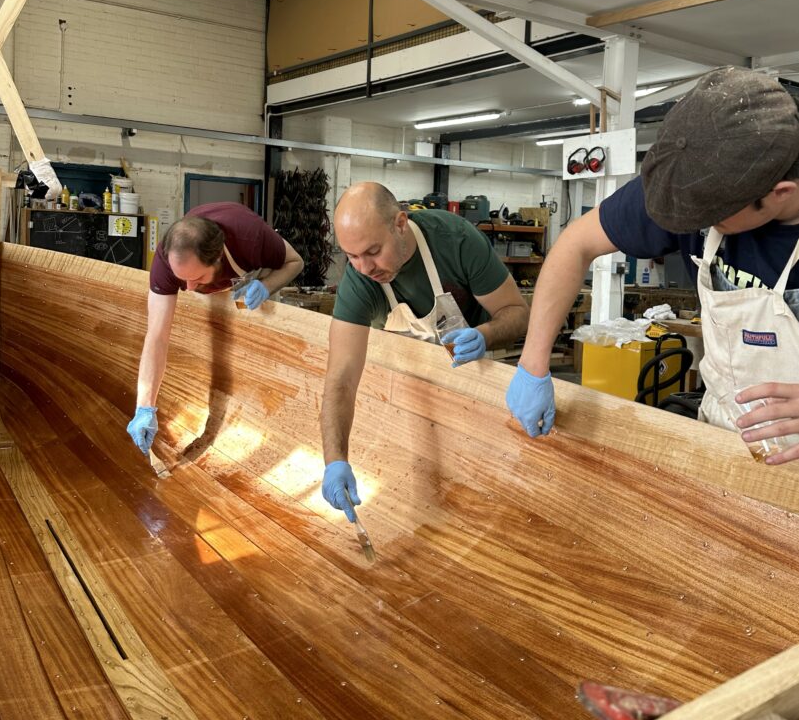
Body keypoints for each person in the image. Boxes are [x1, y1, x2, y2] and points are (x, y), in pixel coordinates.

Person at [506, 67, 799, 464]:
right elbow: (574, 244)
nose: (703, 227)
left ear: (781, 193)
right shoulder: (693, 176)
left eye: (716, 218)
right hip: (723, 438)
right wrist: (532, 363)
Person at [321, 182, 529, 520]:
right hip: (414, 389)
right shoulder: (360, 278)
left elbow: (518, 314)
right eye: (351, 256)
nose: (364, 268)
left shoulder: (457, 242)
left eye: (373, 251)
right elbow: (341, 376)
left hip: (473, 379)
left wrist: (485, 335)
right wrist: (335, 461)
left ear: (401, 224)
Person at [127, 202, 303, 454]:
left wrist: (267, 285)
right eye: (182, 279)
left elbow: (295, 262)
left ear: (218, 257)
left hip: (252, 270)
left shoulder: (251, 237)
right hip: (219, 270)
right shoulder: (166, 262)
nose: (187, 288)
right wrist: (144, 406)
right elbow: (156, 336)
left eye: (196, 278)